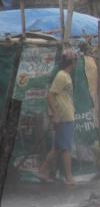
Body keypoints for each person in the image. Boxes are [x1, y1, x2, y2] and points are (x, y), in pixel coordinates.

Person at [36, 53, 77, 186]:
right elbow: (50, 95)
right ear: (72, 62)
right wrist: (56, 114)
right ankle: (69, 177)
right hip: (63, 117)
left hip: (67, 115)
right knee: (65, 148)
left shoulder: (66, 76)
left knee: (58, 148)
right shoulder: (61, 76)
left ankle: (42, 171)